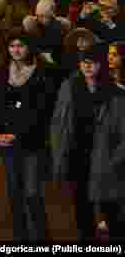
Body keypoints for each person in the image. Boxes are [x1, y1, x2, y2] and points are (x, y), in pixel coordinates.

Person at [0, 31, 56, 242]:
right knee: (14, 193)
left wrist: (18, 132)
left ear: (29, 47)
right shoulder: (2, 71)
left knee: (32, 194)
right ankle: (21, 239)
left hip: (32, 142)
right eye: (12, 46)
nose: (16, 50)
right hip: (6, 142)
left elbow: (43, 111)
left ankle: (42, 239)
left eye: (20, 46)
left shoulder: (43, 72)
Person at [51, 44, 125, 240]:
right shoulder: (69, 87)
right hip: (77, 156)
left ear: (101, 65)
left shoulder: (115, 93)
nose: (87, 67)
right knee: (82, 209)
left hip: (105, 159)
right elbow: (59, 123)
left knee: (111, 209)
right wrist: (60, 155)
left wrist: (115, 160)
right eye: (84, 62)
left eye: (92, 63)